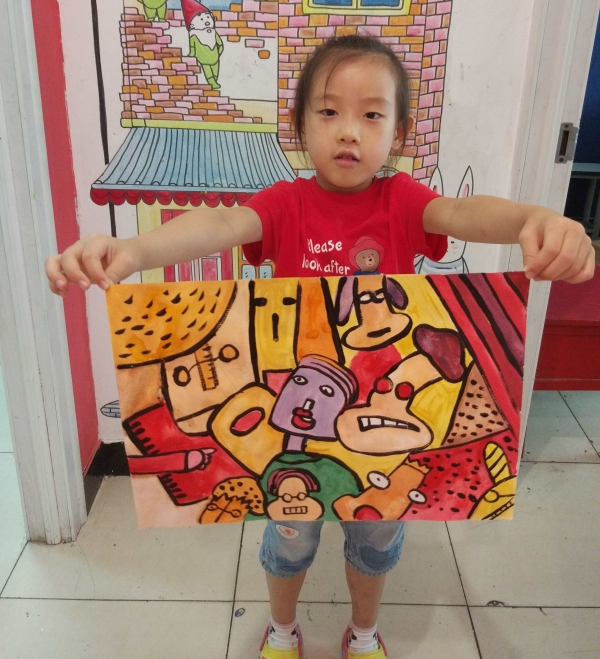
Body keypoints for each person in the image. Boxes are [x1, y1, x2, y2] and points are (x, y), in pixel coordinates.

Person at [46, 35, 595, 659]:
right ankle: (283, 629)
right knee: (290, 537)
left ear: (399, 132)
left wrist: (533, 221)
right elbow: (221, 223)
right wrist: (133, 251)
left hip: (377, 413)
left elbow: (463, 212)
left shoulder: (403, 200)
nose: (348, 131)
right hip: (296, 425)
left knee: (375, 537)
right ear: (300, 126)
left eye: (372, 114)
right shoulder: (285, 203)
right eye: (329, 111)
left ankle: (364, 631)